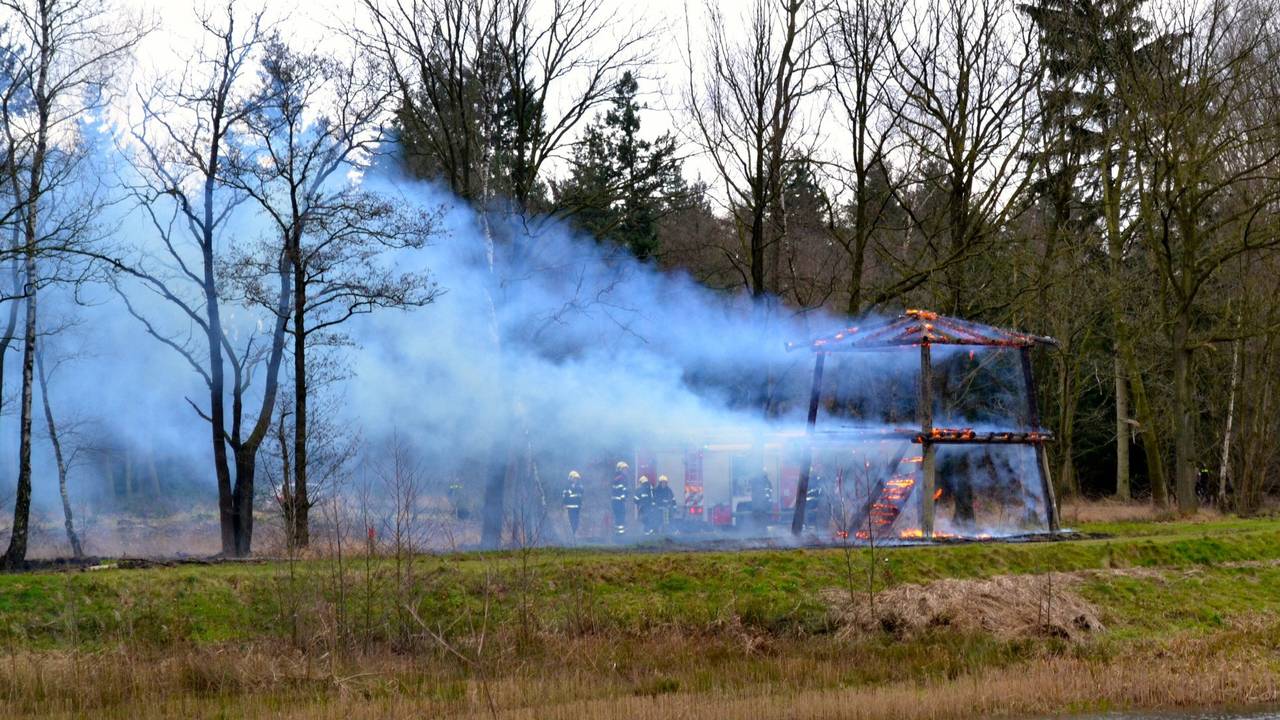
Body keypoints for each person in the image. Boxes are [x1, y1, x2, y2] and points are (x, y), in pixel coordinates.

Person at [562, 470, 585, 536]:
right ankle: (572, 535)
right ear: (571, 478)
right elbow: (565, 496)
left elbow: (580, 495)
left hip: (577, 507)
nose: (576, 480)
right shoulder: (567, 486)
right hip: (571, 507)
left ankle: (573, 534)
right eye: (574, 478)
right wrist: (571, 488)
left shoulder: (579, 487)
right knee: (572, 521)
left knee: (576, 522)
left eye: (577, 479)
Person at [611, 461, 630, 536]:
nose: (626, 471)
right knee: (620, 517)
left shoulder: (618, 478)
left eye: (626, 469)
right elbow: (622, 490)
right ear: (620, 469)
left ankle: (618, 534)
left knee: (619, 518)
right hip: (618, 502)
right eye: (624, 469)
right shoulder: (621, 478)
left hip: (617, 501)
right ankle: (620, 535)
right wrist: (623, 497)